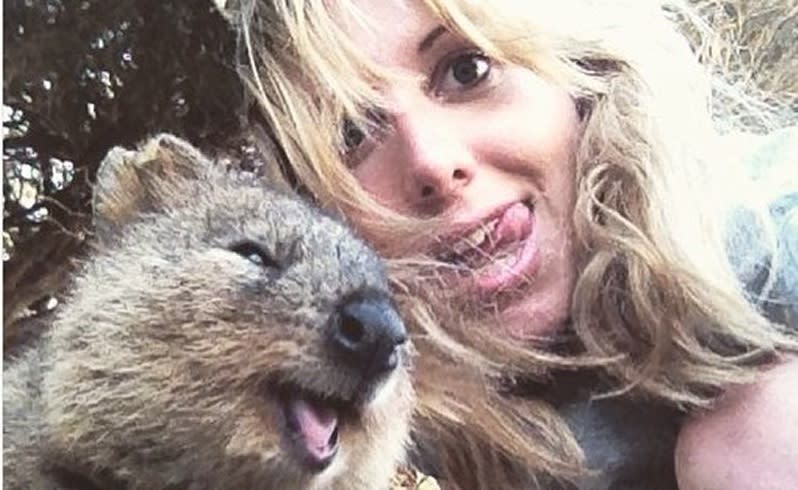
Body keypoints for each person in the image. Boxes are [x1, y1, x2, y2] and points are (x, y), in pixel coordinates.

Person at [225, 0, 798, 488]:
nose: (432, 161)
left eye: (466, 69)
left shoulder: (772, 223)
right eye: (352, 133)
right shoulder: (343, 429)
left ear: (575, 70)